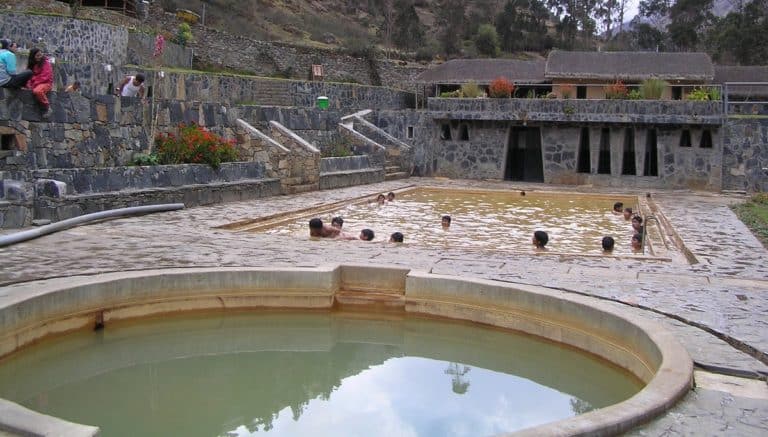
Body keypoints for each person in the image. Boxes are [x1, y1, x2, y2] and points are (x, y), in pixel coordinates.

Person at [25, 48, 54, 118]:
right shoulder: (32, 65)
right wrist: (28, 84)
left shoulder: (46, 63)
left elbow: (46, 76)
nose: (39, 57)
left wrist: (34, 83)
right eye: (37, 55)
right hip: (35, 83)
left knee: (38, 91)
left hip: (46, 83)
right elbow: (28, 76)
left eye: (40, 55)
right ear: (33, 56)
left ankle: (47, 107)